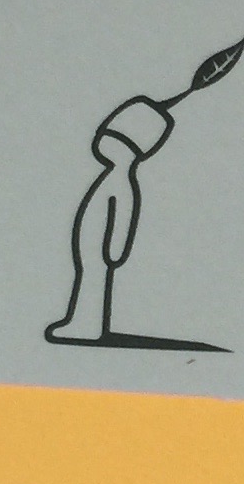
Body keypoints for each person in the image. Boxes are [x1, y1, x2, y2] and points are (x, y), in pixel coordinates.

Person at [45, 91, 175, 343]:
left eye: (113, 139)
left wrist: (114, 251)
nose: (102, 141)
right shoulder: (110, 178)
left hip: (100, 252)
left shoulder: (121, 183)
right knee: (86, 276)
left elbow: (123, 215)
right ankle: (78, 321)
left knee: (94, 279)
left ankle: (89, 326)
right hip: (91, 250)